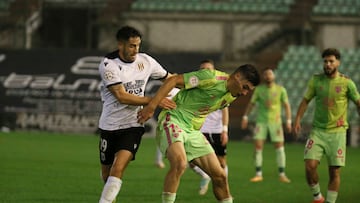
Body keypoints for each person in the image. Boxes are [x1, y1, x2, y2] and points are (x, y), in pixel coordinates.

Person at [138, 64, 260, 203]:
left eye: (248, 91)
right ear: (237, 77)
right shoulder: (211, 77)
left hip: (193, 131)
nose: (244, 93)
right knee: (180, 163)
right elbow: (173, 81)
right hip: (173, 120)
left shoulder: (232, 95)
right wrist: (152, 106)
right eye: (245, 87)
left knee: (220, 175)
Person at [97, 25, 176, 203]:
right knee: (106, 173)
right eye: (132, 46)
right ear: (120, 45)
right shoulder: (108, 65)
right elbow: (121, 96)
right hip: (109, 125)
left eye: (138, 45)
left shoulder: (146, 61)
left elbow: (171, 79)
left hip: (133, 124)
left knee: (118, 168)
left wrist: (191, 87)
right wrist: (154, 101)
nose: (136, 50)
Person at [294, 48, 360, 203]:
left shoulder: (347, 83)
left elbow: (358, 102)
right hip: (317, 130)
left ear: (338, 62)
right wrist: (298, 119)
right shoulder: (316, 80)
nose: (328, 64)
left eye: (331, 61)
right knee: (309, 165)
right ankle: (317, 197)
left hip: (337, 132)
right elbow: (305, 101)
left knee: (334, 172)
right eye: (325, 61)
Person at [241, 68, 292, 183]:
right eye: (266, 74)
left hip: (276, 122)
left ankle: (282, 174)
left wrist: (288, 121)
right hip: (261, 122)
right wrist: (245, 117)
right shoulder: (259, 90)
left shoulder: (280, 90)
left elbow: (286, 106)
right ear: (263, 77)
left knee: (279, 147)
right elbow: (251, 104)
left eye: (270, 74)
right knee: (258, 147)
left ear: (273, 76)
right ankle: (258, 174)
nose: (268, 76)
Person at [190, 59, 230, 195]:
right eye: (202, 70)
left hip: (217, 130)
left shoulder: (221, 88)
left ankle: (225, 188)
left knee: (221, 161)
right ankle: (205, 175)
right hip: (200, 129)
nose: (205, 72)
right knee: (191, 160)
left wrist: (225, 130)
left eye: (208, 69)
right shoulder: (194, 87)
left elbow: (225, 110)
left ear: (213, 71)